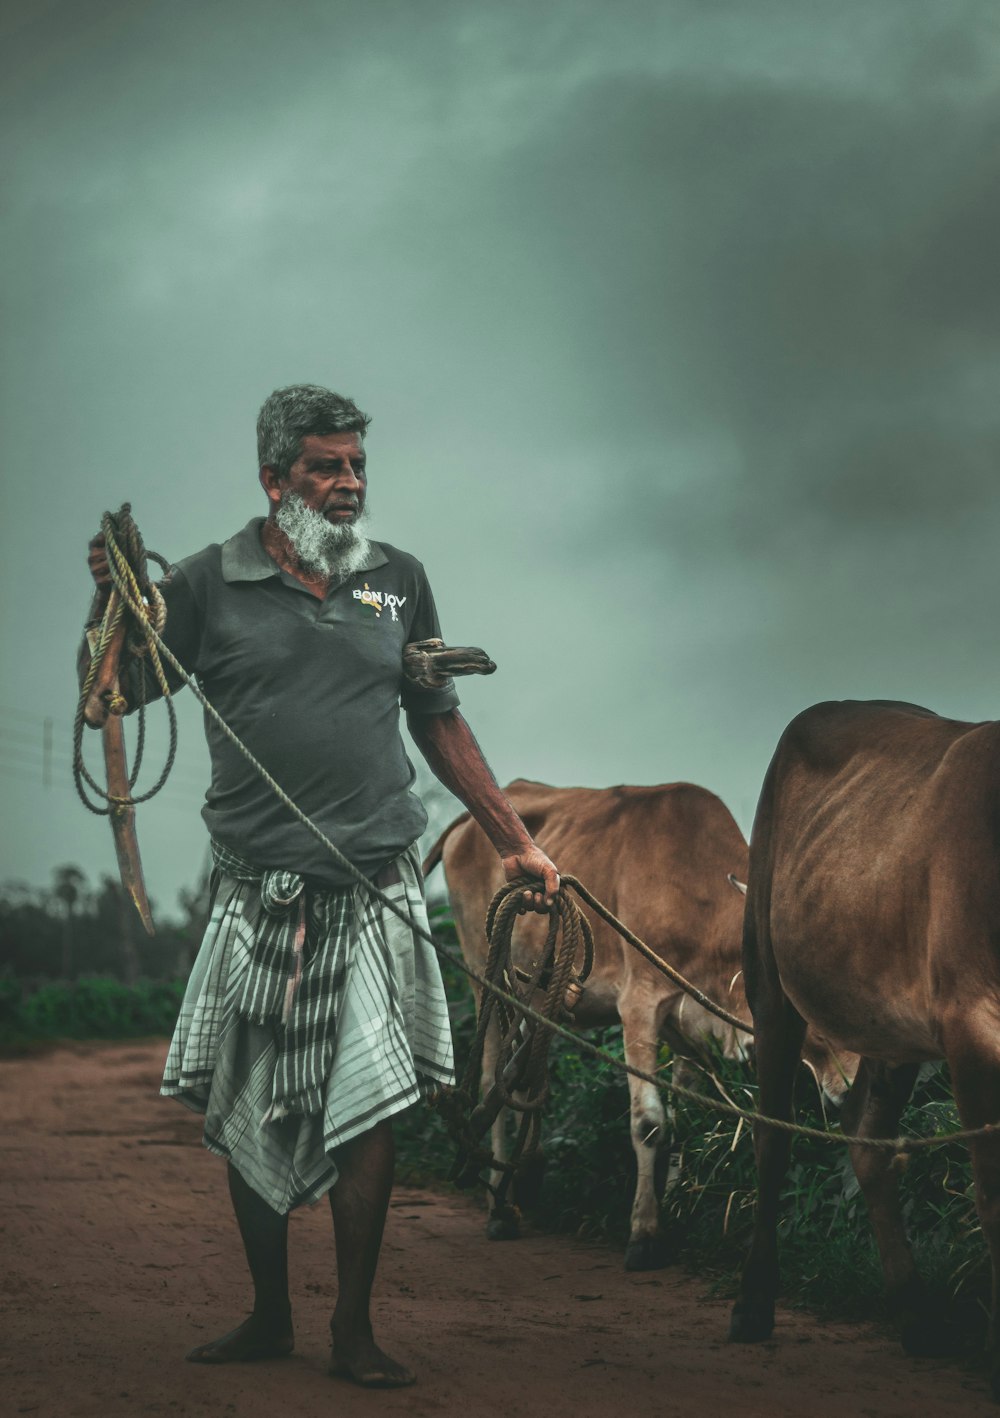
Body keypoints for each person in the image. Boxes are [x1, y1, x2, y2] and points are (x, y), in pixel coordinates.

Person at [84, 384, 560, 1388]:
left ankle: (351, 1324)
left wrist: (513, 839)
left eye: (355, 468)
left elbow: (433, 712)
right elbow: (119, 692)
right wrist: (116, 601)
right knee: (249, 1096)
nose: (347, 487)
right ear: (275, 479)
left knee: (368, 1104)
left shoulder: (387, 584)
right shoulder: (210, 585)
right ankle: (268, 1312)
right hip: (259, 890)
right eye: (324, 468)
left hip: (374, 879)